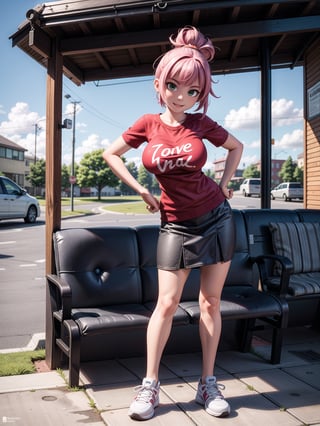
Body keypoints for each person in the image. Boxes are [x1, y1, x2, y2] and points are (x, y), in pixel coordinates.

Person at [102, 26, 243, 421]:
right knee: (165, 304)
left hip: (216, 217)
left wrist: (224, 183)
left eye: (192, 91)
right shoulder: (147, 123)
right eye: (174, 86)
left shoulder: (201, 124)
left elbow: (236, 146)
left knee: (210, 303)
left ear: (201, 93)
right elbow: (111, 154)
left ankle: (208, 383)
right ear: (159, 83)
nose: (182, 97)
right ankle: (149, 387)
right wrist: (141, 191)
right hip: (175, 224)